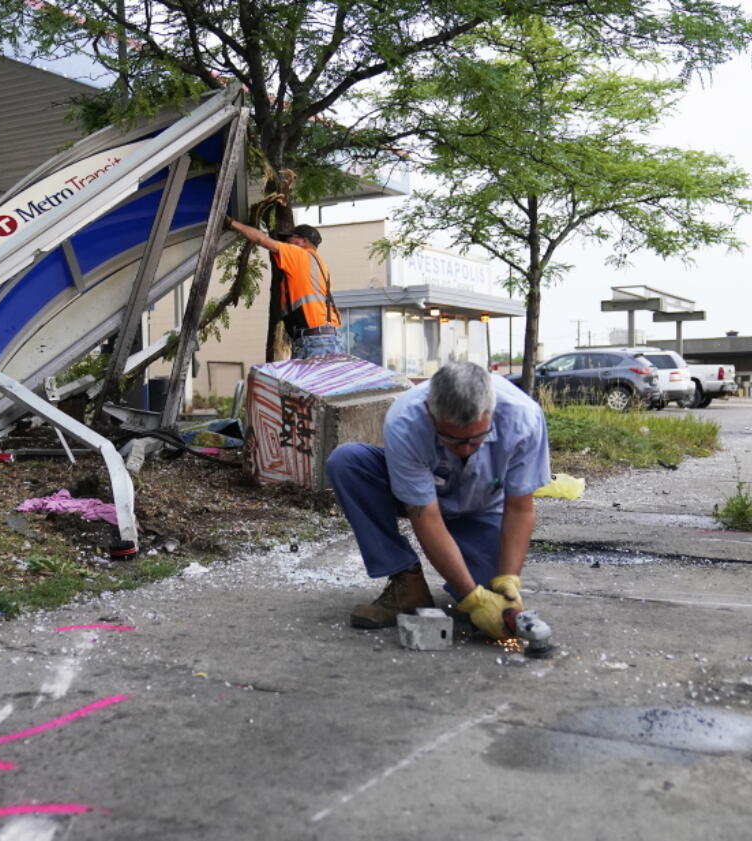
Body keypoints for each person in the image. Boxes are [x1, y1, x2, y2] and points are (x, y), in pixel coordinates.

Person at [325, 361, 551, 639]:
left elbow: (519, 507)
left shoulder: (524, 418)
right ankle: (407, 583)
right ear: (430, 413)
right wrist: (473, 599)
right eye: (453, 440)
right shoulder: (405, 421)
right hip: (420, 501)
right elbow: (426, 516)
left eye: (476, 438)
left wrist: (508, 580)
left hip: (480, 509)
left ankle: (488, 580)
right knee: (347, 463)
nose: (466, 449)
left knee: (494, 593)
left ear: (491, 412)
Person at [223, 217, 344, 358]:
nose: (285, 243)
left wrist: (231, 223)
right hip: (328, 338)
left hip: (315, 340)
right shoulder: (319, 265)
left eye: (290, 240)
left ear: (303, 241)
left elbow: (261, 240)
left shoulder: (298, 254)